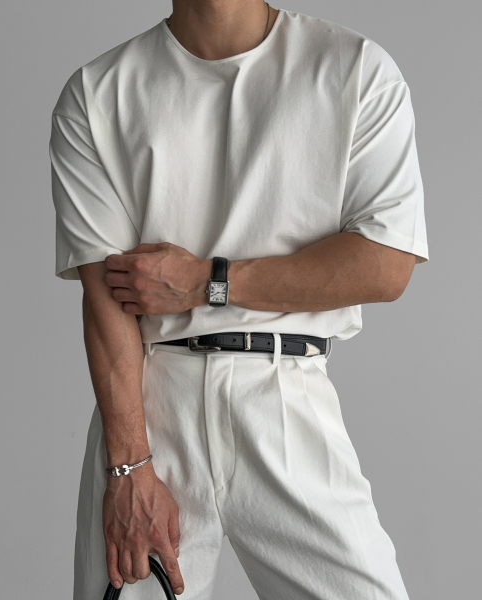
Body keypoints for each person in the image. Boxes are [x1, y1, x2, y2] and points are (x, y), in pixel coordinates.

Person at [49, 1, 429, 599]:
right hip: (150, 406)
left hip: (284, 395)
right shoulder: (99, 92)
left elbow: (385, 266)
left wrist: (209, 281)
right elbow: (105, 297)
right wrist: (128, 467)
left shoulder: (355, 69)